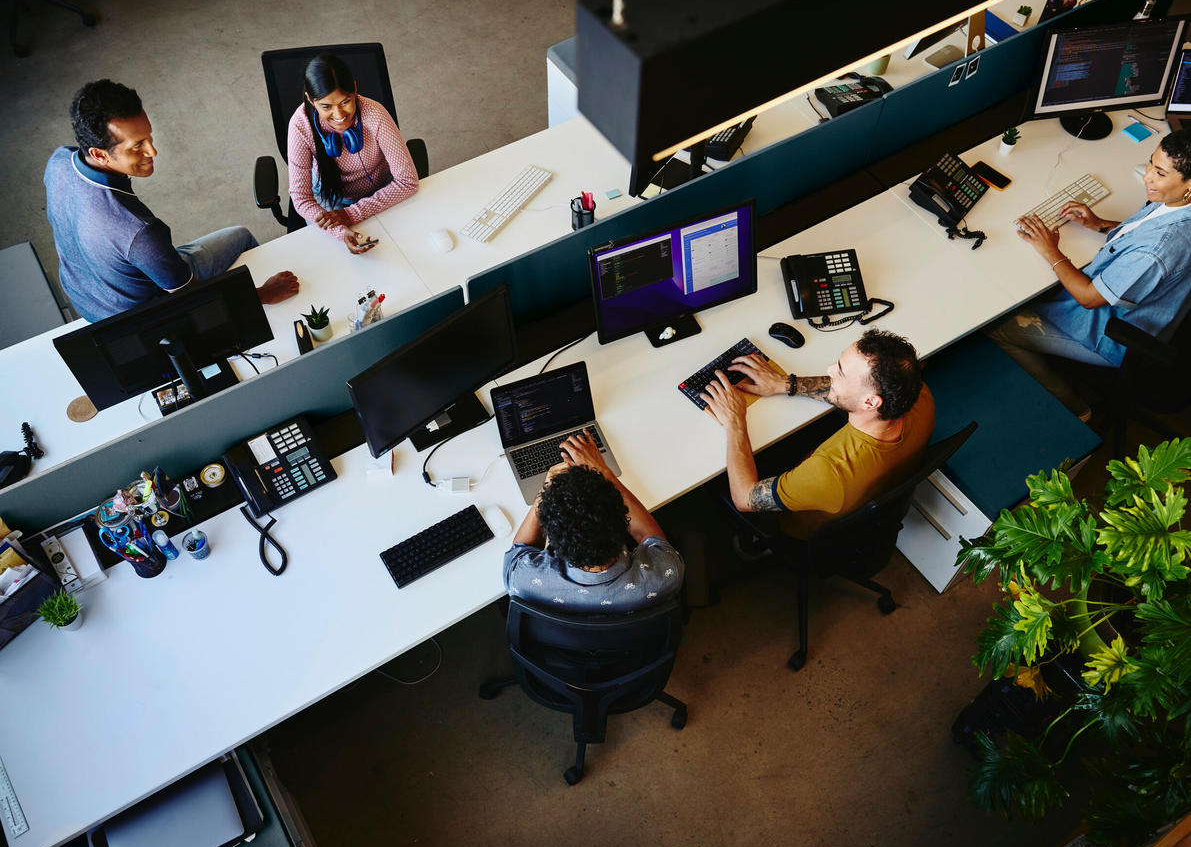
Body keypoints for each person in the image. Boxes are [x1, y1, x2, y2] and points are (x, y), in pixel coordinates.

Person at [45, 79, 298, 323]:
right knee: (240, 236)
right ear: (99, 154)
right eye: (137, 145)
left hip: (86, 299)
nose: (152, 151)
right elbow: (192, 298)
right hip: (146, 315)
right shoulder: (138, 232)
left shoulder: (58, 162)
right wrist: (264, 293)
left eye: (149, 137)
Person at [991, 129, 1191, 413]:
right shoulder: (1177, 205)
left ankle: (1074, 408)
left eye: (1160, 173)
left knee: (999, 327)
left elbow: (1088, 297)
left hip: (1111, 333)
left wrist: (1051, 250)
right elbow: (1145, 234)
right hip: (1152, 311)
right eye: (1151, 163)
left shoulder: (1159, 249)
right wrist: (1100, 224)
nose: (1147, 176)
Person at [701, 329, 934, 539]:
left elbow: (744, 498)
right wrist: (785, 383)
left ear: (871, 401)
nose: (830, 370)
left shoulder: (830, 471)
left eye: (840, 373)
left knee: (709, 482)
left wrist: (735, 421)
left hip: (796, 524)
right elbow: (855, 396)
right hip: (863, 493)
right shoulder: (920, 395)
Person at [503, 430, 684, 613]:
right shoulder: (666, 574)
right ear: (624, 522)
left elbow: (521, 546)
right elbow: (649, 537)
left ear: (551, 540)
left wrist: (546, 490)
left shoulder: (521, 579)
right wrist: (604, 471)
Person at [287, 54, 419, 254]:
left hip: (380, 190)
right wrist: (340, 231)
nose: (339, 115)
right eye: (326, 106)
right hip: (328, 201)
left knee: (403, 248)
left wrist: (350, 214)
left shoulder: (374, 114)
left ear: (355, 89)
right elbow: (301, 198)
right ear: (310, 100)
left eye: (345, 101)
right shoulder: (300, 125)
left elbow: (408, 181)